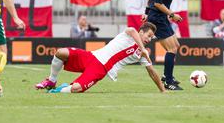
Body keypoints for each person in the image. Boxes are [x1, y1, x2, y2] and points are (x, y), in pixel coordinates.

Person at [36, 22, 166, 93]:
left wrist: (162, 90)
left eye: (151, 37)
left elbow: (152, 72)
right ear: (141, 32)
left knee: (76, 89)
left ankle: (57, 90)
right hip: (92, 56)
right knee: (61, 52)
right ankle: (51, 81)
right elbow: (132, 30)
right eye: (148, 35)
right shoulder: (130, 35)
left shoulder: (141, 55)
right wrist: (143, 49)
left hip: (101, 68)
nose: (149, 39)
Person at [142, 0, 183, 91]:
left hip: (159, 17)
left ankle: (167, 76)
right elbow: (158, 3)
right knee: (172, 48)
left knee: (175, 45)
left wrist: (146, 11)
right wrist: (172, 14)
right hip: (157, 18)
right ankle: (168, 81)